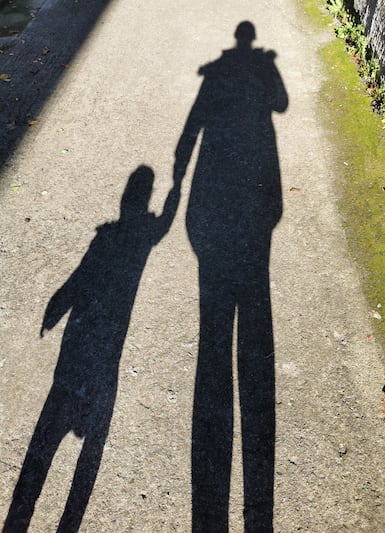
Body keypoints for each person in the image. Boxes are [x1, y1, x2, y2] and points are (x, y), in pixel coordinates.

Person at [3, 166, 180, 533]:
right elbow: (163, 223)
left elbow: (83, 273)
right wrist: (178, 183)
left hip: (81, 343)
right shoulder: (135, 234)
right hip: (104, 344)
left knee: (50, 435)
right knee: (81, 442)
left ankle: (23, 523)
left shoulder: (120, 234)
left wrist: (60, 303)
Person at [173, 21, 288, 532]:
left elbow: (193, 125)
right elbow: (281, 104)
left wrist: (178, 180)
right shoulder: (255, 66)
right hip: (253, 211)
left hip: (208, 202)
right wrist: (266, 66)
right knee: (248, 322)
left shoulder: (216, 71)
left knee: (213, 333)